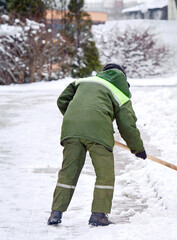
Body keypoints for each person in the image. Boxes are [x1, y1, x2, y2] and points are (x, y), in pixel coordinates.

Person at [47, 63, 146, 226]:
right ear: (123, 78)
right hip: (99, 132)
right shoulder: (120, 92)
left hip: (72, 129)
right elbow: (127, 125)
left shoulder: (83, 81)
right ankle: (99, 215)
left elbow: (62, 100)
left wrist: (79, 120)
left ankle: (55, 213)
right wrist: (138, 149)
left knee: (68, 171)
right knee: (104, 174)